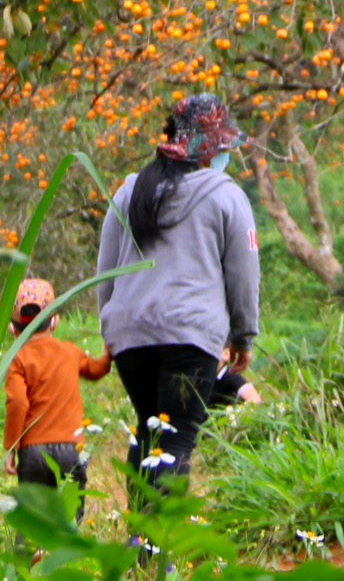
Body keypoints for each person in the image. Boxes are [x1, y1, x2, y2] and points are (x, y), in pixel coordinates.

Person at [94, 94, 258, 504]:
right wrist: (243, 337)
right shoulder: (226, 194)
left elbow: (106, 269)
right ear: (209, 149)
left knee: (150, 429)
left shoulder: (131, 190)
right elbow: (243, 273)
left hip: (130, 336)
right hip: (189, 336)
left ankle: (139, 545)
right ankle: (156, 551)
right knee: (178, 437)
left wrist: (108, 329)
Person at [3, 276, 112, 519]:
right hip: (71, 448)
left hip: (33, 452)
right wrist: (108, 352)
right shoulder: (69, 352)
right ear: (55, 322)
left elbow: (17, 403)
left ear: (12, 328)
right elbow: (96, 370)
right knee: (70, 516)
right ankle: (63, 553)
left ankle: (37, 552)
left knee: (34, 518)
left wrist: (11, 446)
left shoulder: (18, 361)